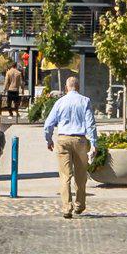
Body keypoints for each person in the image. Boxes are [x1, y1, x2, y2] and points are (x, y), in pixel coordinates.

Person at [40, 75, 96, 218]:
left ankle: (66, 207)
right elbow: (90, 124)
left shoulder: (60, 102)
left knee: (65, 175)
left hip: (63, 138)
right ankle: (79, 204)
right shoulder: (85, 101)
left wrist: (49, 139)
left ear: (66, 88)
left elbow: (48, 124)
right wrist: (94, 143)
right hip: (80, 140)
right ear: (78, 87)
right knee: (80, 174)